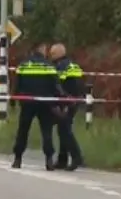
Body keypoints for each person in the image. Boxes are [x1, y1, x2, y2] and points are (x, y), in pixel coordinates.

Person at [12, 41, 62, 170]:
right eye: (45, 49)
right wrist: (59, 102)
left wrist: (13, 100)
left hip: (27, 103)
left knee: (23, 131)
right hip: (45, 103)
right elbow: (55, 86)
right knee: (46, 132)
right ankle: (49, 160)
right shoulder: (48, 66)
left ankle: (17, 159)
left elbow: (17, 85)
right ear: (41, 49)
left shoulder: (23, 65)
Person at [49, 43, 86, 171]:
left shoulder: (60, 67)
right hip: (75, 99)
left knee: (64, 130)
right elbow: (80, 83)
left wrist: (62, 102)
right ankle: (62, 160)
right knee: (63, 128)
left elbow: (58, 85)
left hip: (66, 101)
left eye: (53, 53)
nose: (51, 56)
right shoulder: (73, 64)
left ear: (59, 54)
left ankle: (77, 157)